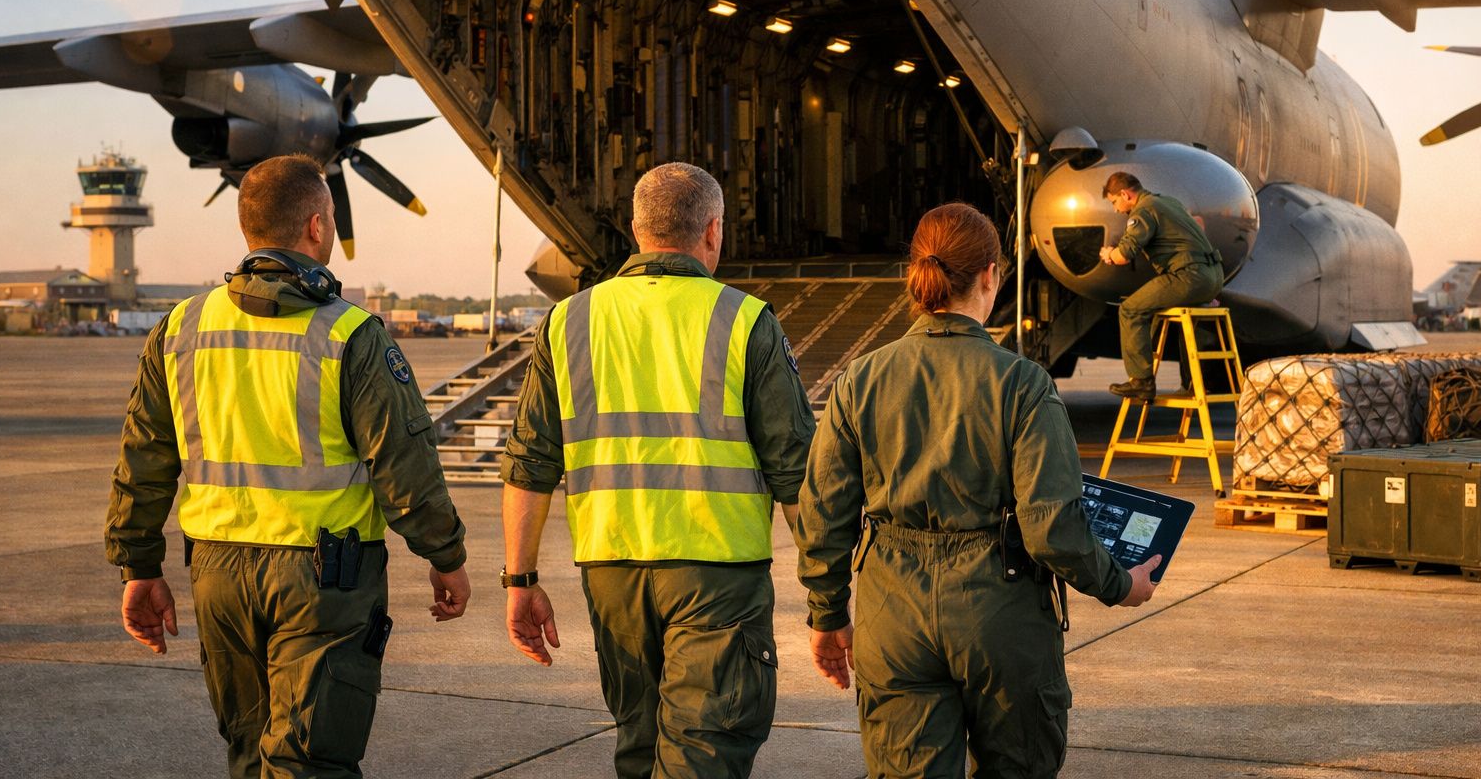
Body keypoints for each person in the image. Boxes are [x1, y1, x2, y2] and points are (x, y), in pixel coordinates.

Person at [103, 154, 471, 779]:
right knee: (312, 761)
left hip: (218, 572)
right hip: (323, 577)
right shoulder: (351, 334)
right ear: (315, 226)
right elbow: (405, 467)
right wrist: (446, 557)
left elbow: (144, 459)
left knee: (250, 755)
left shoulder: (181, 327)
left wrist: (138, 567)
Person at [796, 202, 1160, 779]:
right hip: (1001, 610)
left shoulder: (858, 380)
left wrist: (827, 613)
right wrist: (1121, 584)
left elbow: (823, 514)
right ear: (991, 276)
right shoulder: (1022, 385)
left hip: (892, 610)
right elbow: (1053, 530)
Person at [499, 161, 814, 779]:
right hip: (717, 575)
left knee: (640, 750)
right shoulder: (744, 319)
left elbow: (531, 463)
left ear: (637, 231)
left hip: (613, 575)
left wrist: (519, 579)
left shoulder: (570, 320)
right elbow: (794, 471)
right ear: (713, 232)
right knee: (704, 754)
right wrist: (828, 590)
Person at [1097, 171, 1224, 401]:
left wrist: (1108, 254)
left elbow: (1124, 255)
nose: (1116, 209)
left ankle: (1142, 381)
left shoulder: (1143, 210)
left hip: (1188, 276)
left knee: (1130, 309)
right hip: (1212, 276)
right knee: (1154, 310)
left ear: (1125, 194)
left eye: (1115, 202)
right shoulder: (1168, 202)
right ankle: (1193, 384)